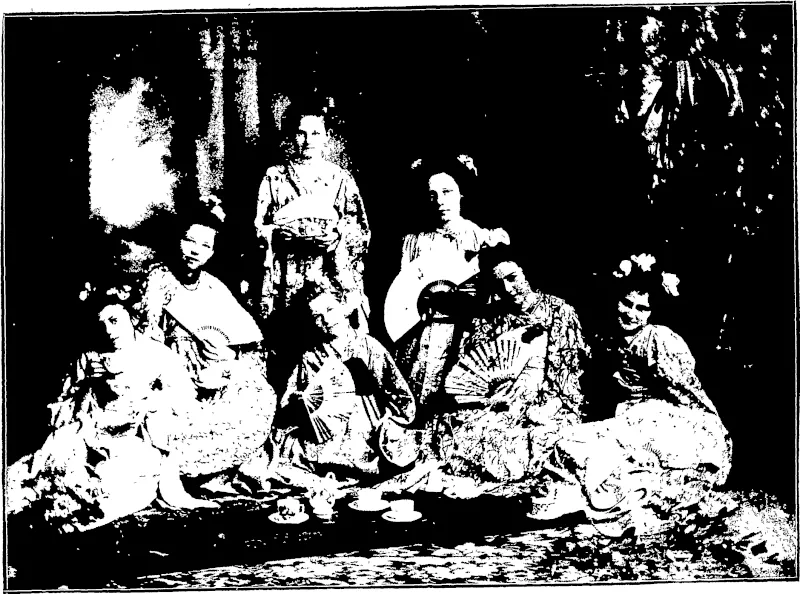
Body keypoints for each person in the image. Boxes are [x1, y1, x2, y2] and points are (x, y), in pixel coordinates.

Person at [532, 254, 732, 536]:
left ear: (652, 313)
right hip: (629, 413)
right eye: (626, 303)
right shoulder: (609, 337)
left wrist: (710, 427)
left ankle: (603, 503)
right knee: (572, 443)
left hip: (660, 416)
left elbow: (685, 389)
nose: (630, 312)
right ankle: (573, 500)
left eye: (641, 308)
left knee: (598, 451)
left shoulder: (658, 339)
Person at [385, 247, 589, 498]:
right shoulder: (488, 319)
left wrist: (535, 399)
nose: (508, 288)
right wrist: (491, 398)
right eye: (498, 282)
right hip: (498, 401)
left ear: (527, 273)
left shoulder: (560, 312)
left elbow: (566, 372)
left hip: (548, 398)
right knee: (463, 429)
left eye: (513, 278)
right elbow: (473, 373)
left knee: (534, 435)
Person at [6, 291, 215, 533]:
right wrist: (84, 386)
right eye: (101, 324)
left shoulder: (157, 354)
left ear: (133, 319)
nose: (108, 331)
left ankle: (63, 517)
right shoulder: (89, 356)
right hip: (89, 430)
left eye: (115, 321)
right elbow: (59, 406)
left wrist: (148, 402)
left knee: (108, 484)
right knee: (42, 469)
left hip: (135, 437)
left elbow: (184, 396)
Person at [138, 211, 276, 485]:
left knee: (258, 394)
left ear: (213, 252)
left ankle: (223, 465)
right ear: (177, 240)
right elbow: (146, 343)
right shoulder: (157, 281)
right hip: (169, 379)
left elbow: (249, 344)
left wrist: (229, 359)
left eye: (205, 245)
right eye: (189, 240)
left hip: (210, 376)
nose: (195, 250)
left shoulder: (213, 287)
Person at [271, 291, 418, 492]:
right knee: (301, 453)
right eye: (317, 316)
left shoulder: (371, 347)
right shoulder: (310, 356)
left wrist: (390, 421)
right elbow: (287, 400)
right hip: (326, 428)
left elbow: (401, 395)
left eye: (330, 310)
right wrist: (302, 401)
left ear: (344, 309)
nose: (326, 320)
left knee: (374, 457)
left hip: (367, 423)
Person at [254, 95, 371, 330]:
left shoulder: (340, 178)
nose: (308, 141)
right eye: (301, 133)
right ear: (291, 136)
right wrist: (277, 234)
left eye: (316, 133)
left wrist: (336, 237)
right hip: (287, 274)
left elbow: (360, 231)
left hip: (329, 274)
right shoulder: (275, 176)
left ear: (326, 137)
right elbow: (258, 227)